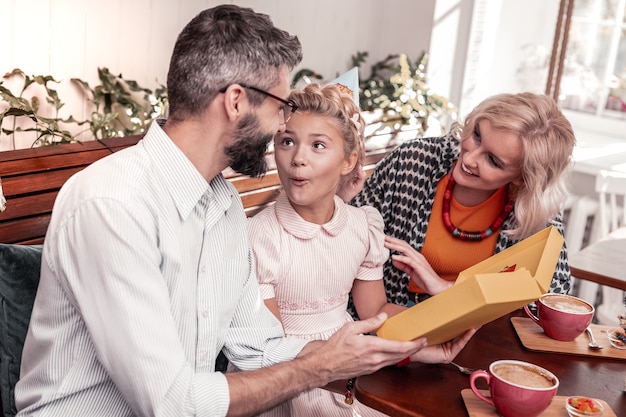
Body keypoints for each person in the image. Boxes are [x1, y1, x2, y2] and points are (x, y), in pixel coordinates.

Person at [14, 6, 428, 417]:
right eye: (280, 107)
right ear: (235, 102)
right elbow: (172, 404)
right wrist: (316, 368)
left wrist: (374, 350)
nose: (280, 125)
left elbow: (258, 344)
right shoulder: (112, 205)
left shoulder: (223, 203)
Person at [247, 83, 475, 416]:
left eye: (318, 145)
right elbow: (273, 347)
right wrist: (362, 355)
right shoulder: (258, 236)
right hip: (285, 380)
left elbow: (376, 311)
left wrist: (428, 339)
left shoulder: (361, 226)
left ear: (348, 160)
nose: (298, 158)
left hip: (350, 372)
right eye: (287, 142)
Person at [345, 92, 575, 308]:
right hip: (387, 312)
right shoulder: (414, 160)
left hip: (477, 333)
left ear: (522, 179)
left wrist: (448, 289)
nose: (469, 157)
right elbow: (345, 237)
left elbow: (554, 294)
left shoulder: (534, 207)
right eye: (477, 135)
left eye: (493, 161)